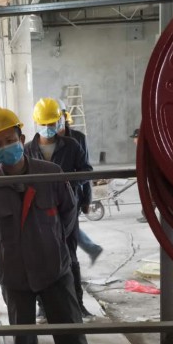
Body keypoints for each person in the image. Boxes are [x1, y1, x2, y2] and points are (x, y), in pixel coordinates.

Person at [0, 107, 111, 344]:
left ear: (21, 138)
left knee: (70, 332)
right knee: (24, 337)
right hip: (15, 275)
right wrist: (12, 252)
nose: (4, 148)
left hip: (54, 270)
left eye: (9, 140)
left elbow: (68, 215)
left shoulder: (50, 175)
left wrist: (51, 245)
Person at [26, 98, 93, 319]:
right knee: (40, 258)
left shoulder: (71, 145)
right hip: (38, 213)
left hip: (67, 211)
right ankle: (43, 308)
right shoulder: (28, 150)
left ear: (60, 121)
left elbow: (86, 171)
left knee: (69, 257)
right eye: (44, 123)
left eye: (52, 122)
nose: (48, 127)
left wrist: (69, 185)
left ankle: (77, 304)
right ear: (36, 122)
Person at [57, 100, 103, 265]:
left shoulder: (77, 139)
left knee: (70, 231)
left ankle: (73, 265)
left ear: (64, 116)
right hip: (51, 199)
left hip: (73, 196)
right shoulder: (42, 141)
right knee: (63, 231)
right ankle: (91, 249)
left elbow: (85, 170)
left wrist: (87, 200)